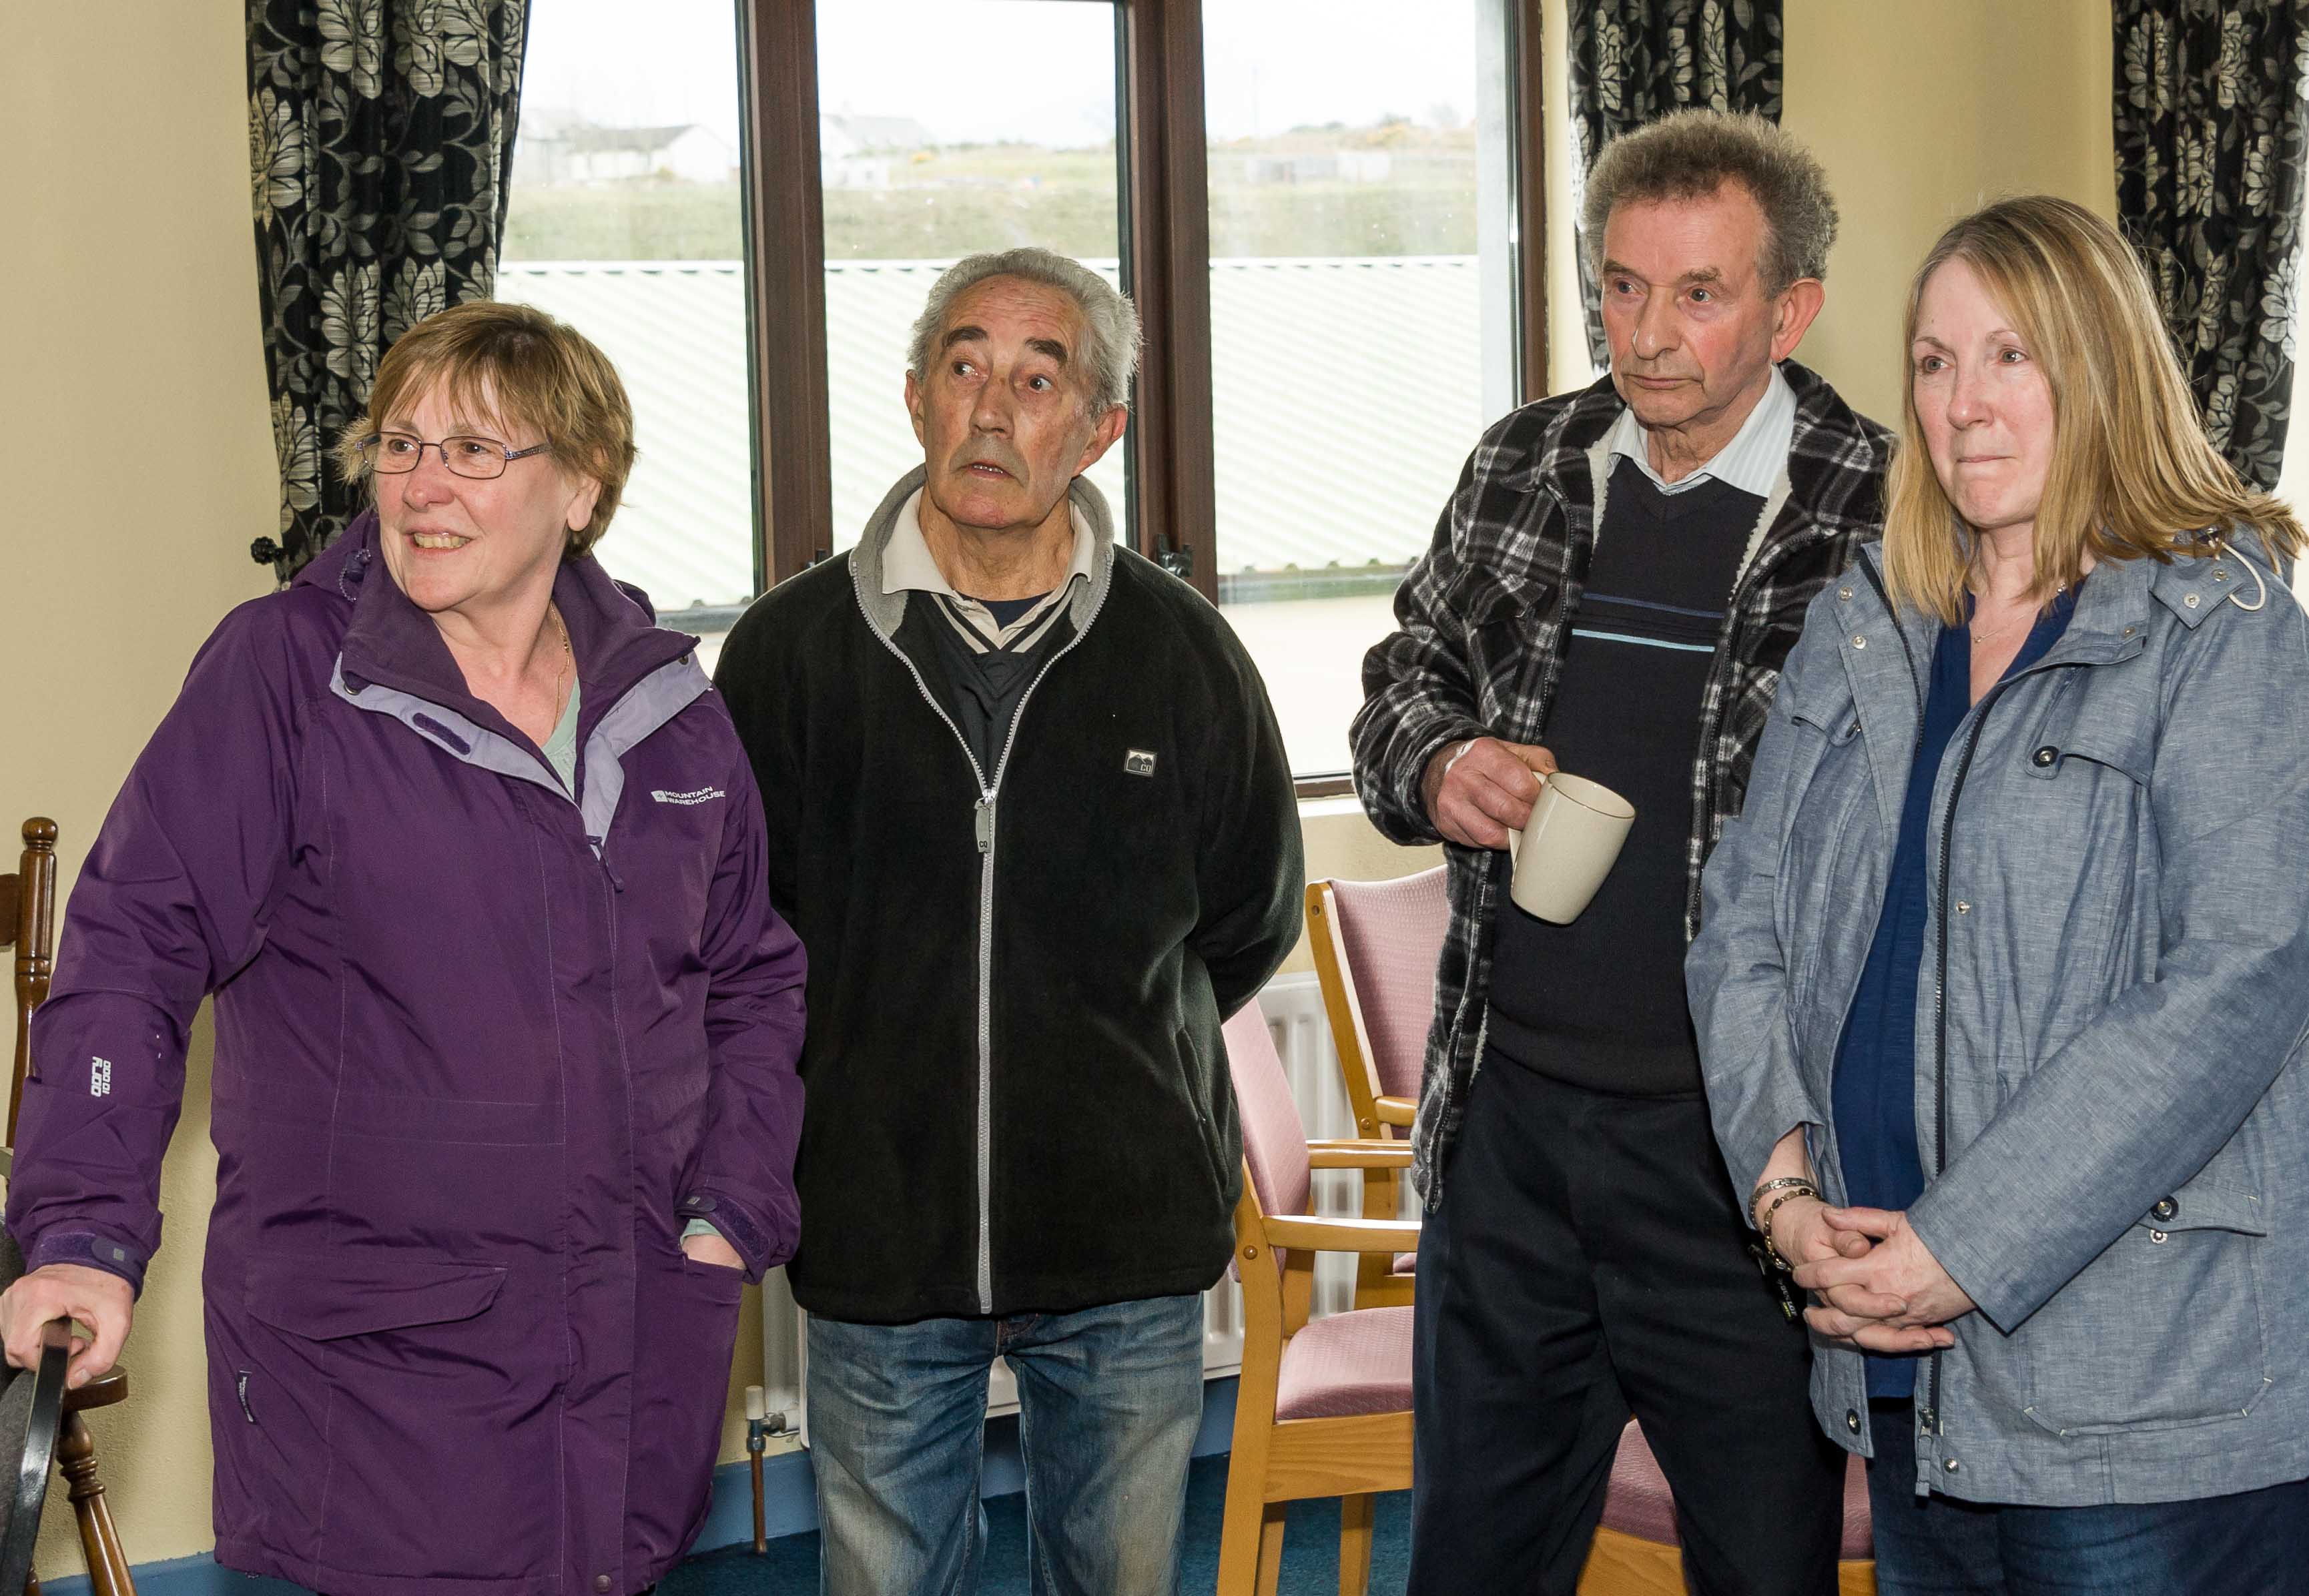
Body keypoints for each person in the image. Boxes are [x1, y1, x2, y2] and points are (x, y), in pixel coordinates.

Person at [0, 301, 805, 1595]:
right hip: (378, 1354)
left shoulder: (669, 710)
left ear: (581, 489)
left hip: (633, 1318)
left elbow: (751, 975)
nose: (422, 483)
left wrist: (730, 1208)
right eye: (400, 441)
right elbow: (130, 953)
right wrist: (81, 1233)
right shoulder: (283, 678)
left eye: (476, 451)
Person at [1690, 193, 2309, 1593]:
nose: (1962, 404)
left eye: (2008, 356)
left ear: (2097, 367)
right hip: (1904, 1372)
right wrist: (1784, 1200)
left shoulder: (2222, 631)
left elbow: (2233, 979)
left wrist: (1962, 1246)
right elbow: (1740, 931)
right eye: (1930, 361)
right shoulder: (1867, 622)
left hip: (2145, 1402)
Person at [713, 246, 1300, 1596]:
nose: (992, 408)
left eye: (1038, 378)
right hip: (875, 1231)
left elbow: (1246, 915)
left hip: (1125, 1240)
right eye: (966, 366)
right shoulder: (787, 653)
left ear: (1097, 428)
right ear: (915, 396)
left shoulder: (1183, 649)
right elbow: (743, 930)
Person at [1351, 109, 1885, 1594]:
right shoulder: (1523, 459)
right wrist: (1440, 759)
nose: (1648, 335)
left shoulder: (1880, 510)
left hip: (1738, 1162)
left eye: (1698, 293)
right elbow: (1404, 674)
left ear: (1790, 309)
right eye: (1621, 287)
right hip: (1509, 1131)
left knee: (1761, 1566)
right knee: (1468, 1563)